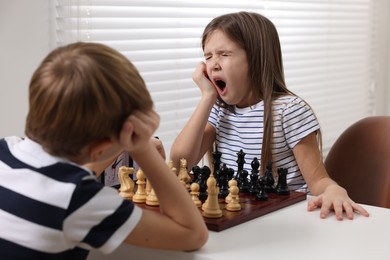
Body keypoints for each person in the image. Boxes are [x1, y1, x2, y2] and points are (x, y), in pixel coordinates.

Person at [0, 42, 208, 259]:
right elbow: (193, 234)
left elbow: (73, 170)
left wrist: (120, 144)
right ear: (100, 148)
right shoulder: (78, 199)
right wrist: (142, 147)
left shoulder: (5, 148)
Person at [170, 11, 369, 221]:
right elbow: (179, 162)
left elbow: (319, 181)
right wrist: (207, 98)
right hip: (238, 216)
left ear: (256, 59)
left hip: (286, 219)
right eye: (208, 56)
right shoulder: (220, 111)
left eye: (224, 54)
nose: (213, 64)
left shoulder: (289, 111)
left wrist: (333, 191)